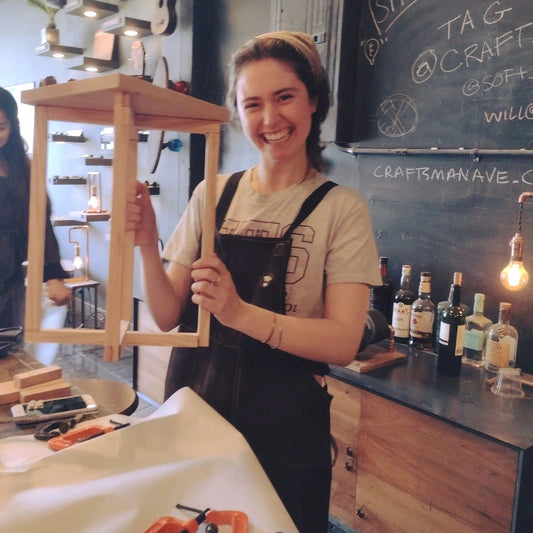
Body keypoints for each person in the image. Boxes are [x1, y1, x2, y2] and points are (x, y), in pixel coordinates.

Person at [126, 31, 381, 532]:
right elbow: (167, 313)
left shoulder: (341, 209)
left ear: (313, 101)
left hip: (284, 435)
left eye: (284, 97)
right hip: (196, 414)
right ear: (238, 112)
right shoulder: (212, 194)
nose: (270, 119)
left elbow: (344, 341)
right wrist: (147, 242)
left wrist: (239, 313)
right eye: (252, 104)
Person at [0, 87, 71, 331]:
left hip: (10, 285)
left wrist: (53, 276)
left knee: (9, 357)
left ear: (12, 126)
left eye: (0, 127)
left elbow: (40, 223)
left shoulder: (22, 168)